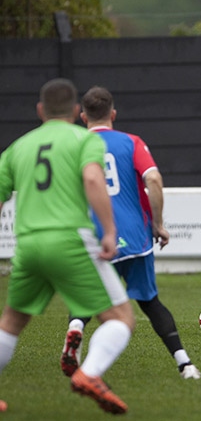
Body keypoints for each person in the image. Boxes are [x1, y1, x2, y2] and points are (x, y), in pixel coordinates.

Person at [0, 78, 135, 414]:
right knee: (120, 318)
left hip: (28, 245)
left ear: (40, 110)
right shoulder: (82, 140)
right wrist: (108, 231)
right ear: (77, 112)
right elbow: (92, 179)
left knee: (11, 323)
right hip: (71, 241)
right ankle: (89, 374)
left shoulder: (18, 147)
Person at [60, 86, 201, 381]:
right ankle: (185, 364)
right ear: (112, 114)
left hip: (94, 238)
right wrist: (158, 224)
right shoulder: (131, 142)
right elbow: (154, 180)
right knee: (149, 301)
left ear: (82, 116)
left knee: (88, 296)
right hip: (134, 237)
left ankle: (76, 328)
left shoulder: (73, 146)